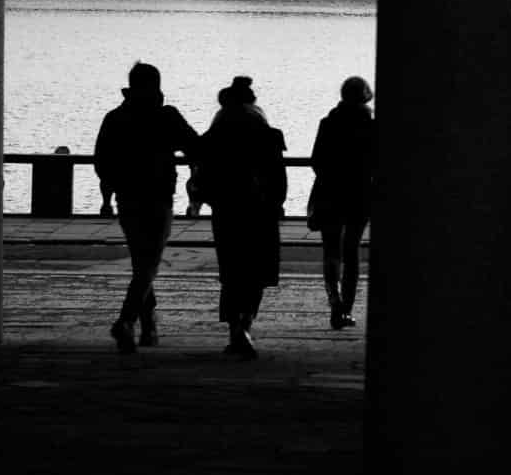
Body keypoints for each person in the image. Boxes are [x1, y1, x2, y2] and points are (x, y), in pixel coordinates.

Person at [90, 61, 199, 353]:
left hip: (127, 199)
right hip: (159, 198)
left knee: (142, 263)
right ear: (156, 86)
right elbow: (196, 147)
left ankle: (149, 327)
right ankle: (126, 321)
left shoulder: (114, 118)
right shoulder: (166, 117)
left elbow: (101, 161)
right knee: (149, 266)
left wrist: (114, 186)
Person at [192, 75, 288, 358]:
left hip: (227, 208)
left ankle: (236, 328)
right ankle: (246, 324)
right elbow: (278, 177)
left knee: (232, 271)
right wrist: (276, 202)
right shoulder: (264, 129)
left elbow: (202, 172)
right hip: (260, 210)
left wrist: (203, 198)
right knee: (257, 271)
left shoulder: (217, 129)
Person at [308, 76, 375, 331]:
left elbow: (317, 160)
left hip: (330, 193)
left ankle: (333, 301)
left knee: (330, 250)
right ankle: (346, 308)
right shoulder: (371, 126)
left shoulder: (328, 123)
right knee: (352, 251)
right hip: (359, 195)